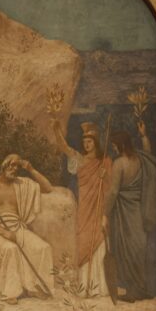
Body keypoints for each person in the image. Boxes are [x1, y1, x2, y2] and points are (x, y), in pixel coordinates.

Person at [0, 154, 54, 303]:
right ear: (4, 165)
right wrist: (4, 232)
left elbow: (48, 188)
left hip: (16, 227)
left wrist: (31, 169)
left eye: (17, 166)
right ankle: (9, 293)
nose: (14, 169)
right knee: (11, 249)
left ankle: (36, 287)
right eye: (11, 165)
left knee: (43, 247)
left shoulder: (22, 185)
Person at [103, 129, 156, 301]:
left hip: (124, 213)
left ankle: (133, 291)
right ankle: (141, 288)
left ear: (121, 145)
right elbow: (149, 154)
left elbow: (114, 191)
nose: (114, 149)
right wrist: (144, 135)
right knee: (139, 248)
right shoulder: (140, 159)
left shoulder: (119, 163)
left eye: (115, 146)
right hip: (139, 212)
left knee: (126, 249)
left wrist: (104, 214)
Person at [53, 119, 112, 296]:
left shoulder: (105, 161)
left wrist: (105, 175)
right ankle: (84, 286)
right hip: (84, 207)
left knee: (99, 239)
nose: (86, 144)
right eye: (84, 142)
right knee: (83, 240)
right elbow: (65, 148)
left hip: (99, 207)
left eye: (90, 141)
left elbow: (111, 188)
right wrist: (56, 130)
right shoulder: (79, 160)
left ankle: (98, 287)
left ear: (96, 143)